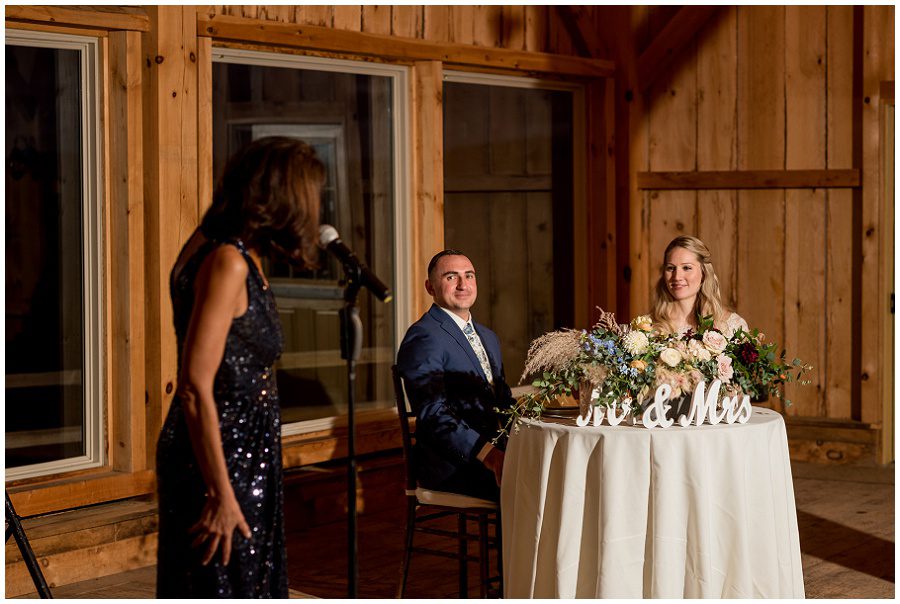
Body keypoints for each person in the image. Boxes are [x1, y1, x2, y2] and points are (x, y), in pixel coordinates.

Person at [155, 137, 325, 597]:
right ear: (280, 197)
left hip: (243, 447)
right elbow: (193, 386)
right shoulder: (227, 260)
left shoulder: (218, 244)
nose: (313, 209)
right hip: (222, 453)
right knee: (226, 584)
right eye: (308, 196)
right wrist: (220, 492)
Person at [396, 250, 514, 502]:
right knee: (535, 482)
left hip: (498, 452)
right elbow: (434, 413)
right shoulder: (424, 337)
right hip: (456, 464)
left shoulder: (488, 337)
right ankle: (512, 544)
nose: (463, 284)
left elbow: (504, 403)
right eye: (451, 277)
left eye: (468, 275)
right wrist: (490, 455)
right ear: (430, 287)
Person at [650, 235, 748, 337]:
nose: (677, 277)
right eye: (671, 268)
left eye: (687, 268)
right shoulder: (646, 329)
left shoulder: (732, 326)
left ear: (703, 273)